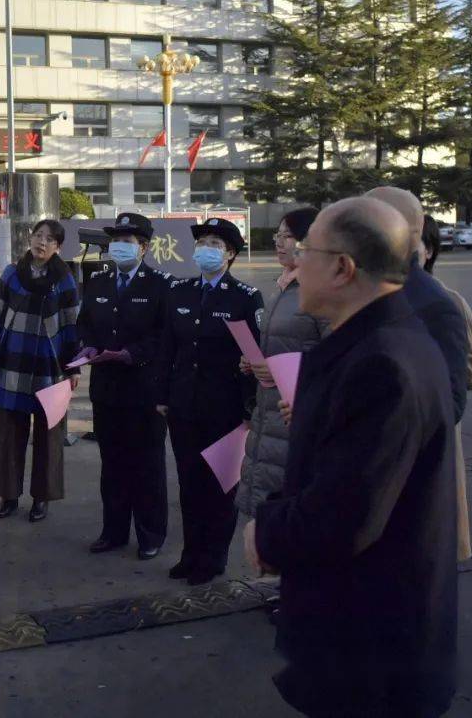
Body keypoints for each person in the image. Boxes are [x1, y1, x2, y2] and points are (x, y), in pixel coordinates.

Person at [247, 197, 457, 718]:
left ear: (342, 268)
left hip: (370, 647)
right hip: (360, 635)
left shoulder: (382, 362)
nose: (295, 262)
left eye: (305, 250)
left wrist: (265, 530)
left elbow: (343, 514)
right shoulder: (374, 341)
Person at [157, 217, 264, 585]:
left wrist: (250, 410)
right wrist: (162, 396)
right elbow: (166, 348)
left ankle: (213, 557)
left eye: (216, 244)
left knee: (220, 485)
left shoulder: (245, 298)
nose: (206, 249)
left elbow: (255, 357)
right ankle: (191, 554)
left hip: (226, 408)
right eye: (203, 241)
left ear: (231, 254)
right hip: (184, 404)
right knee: (189, 484)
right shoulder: (179, 291)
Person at [75, 212, 172, 560]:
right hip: (106, 388)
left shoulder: (161, 285)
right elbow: (84, 324)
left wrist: (132, 354)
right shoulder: (98, 282)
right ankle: (113, 531)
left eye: (127, 241)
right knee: (112, 464)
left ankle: (150, 534)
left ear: (144, 248)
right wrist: (85, 346)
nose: (119, 246)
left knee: (146, 465)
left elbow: (164, 336)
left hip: (145, 389)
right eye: (115, 240)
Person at [0, 218, 81, 523]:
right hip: (13, 361)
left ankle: (42, 498)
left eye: (49, 239)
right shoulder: (12, 273)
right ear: (30, 238)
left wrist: (73, 366)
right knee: (10, 434)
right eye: (38, 235)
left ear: (58, 247)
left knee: (49, 436)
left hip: (48, 367)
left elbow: (71, 324)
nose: (41, 242)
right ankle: (8, 496)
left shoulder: (64, 278)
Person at [236, 208, 327, 520]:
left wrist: (279, 369)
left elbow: (338, 359)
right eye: (278, 235)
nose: (279, 242)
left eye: (287, 236)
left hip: (298, 415)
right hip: (269, 411)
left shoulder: (322, 292)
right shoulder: (281, 288)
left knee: (296, 512)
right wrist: (254, 360)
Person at [365, 186, 467, 423]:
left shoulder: (434, 306)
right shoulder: (358, 289)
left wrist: (363, 413)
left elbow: (447, 405)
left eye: (362, 223)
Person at [421, 215, 472, 562]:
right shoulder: (367, 299)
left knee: (431, 533)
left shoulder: (447, 301)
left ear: (427, 251)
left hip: (435, 429)